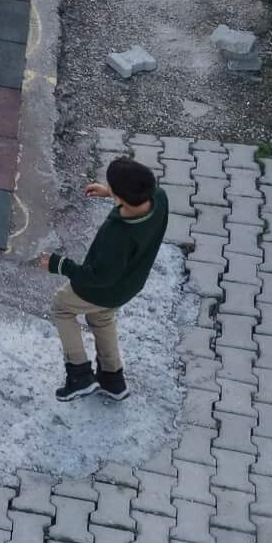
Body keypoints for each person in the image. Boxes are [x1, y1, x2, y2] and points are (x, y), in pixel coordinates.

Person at [31, 155, 169, 401]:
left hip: (102, 288)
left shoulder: (119, 234)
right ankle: (112, 379)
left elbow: (98, 277)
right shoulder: (159, 199)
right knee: (101, 316)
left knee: (61, 306)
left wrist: (58, 264)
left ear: (122, 197)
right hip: (129, 284)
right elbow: (136, 196)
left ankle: (79, 375)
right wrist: (110, 193)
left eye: (112, 188)